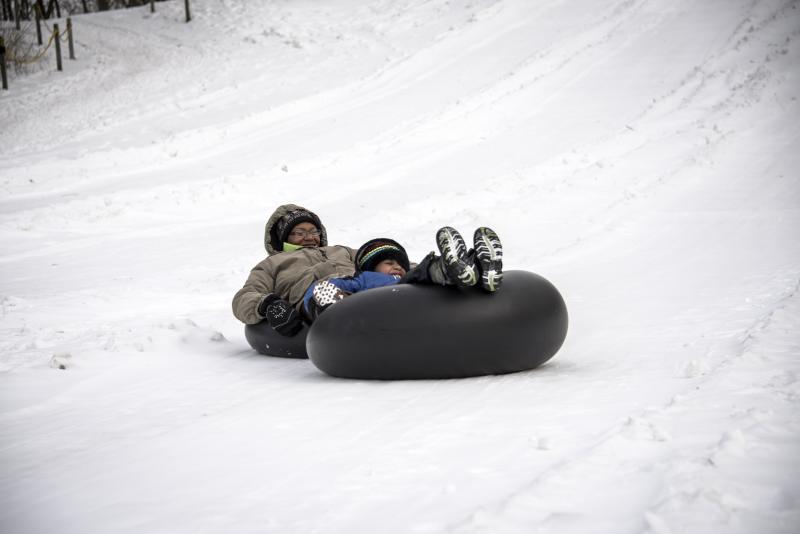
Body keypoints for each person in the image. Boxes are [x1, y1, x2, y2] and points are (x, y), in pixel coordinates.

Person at [304, 226, 504, 320]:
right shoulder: (364, 279)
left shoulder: (408, 274)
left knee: (424, 275)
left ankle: (479, 269)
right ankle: (448, 269)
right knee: (420, 274)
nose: (397, 267)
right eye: (389, 262)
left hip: (422, 301)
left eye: (401, 263)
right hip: (387, 303)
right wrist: (330, 299)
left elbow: (414, 272)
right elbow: (325, 288)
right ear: (371, 268)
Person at [231, 203, 357, 336]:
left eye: (314, 232)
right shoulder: (271, 264)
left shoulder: (341, 250)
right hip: (318, 297)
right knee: (326, 291)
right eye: (300, 233)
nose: (309, 237)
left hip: (360, 285)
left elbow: (373, 258)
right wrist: (268, 304)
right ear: (285, 237)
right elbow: (243, 298)